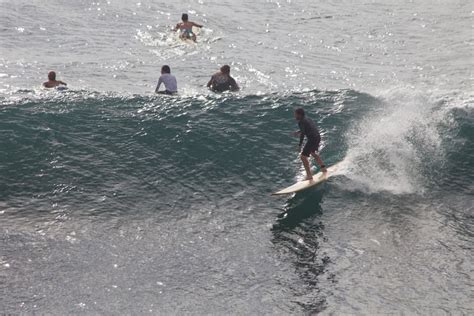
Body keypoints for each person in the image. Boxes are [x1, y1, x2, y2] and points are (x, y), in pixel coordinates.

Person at [293, 108, 327, 180]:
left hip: (312, 139)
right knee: (312, 152)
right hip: (317, 137)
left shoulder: (301, 122)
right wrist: (299, 131)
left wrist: (300, 145)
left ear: (299, 114)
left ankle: (309, 175)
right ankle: (323, 168)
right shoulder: (307, 118)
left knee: (303, 157)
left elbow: (302, 134)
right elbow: (308, 128)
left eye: (295, 114)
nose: (294, 116)